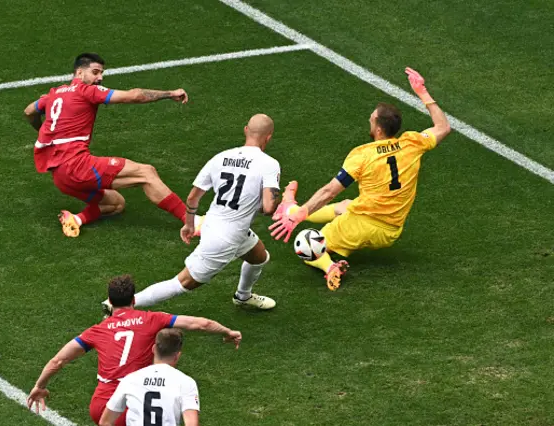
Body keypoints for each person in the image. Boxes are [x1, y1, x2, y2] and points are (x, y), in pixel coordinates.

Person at [270, 68, 451, 290]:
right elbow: (443, 127)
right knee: (345, 206)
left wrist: (300, 217)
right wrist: (422, 92)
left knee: (308, 244)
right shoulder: (412, 143)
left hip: (367, 225)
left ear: (378, 128)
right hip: (391, 225)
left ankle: (330, 267)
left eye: (372, 118)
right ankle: (289, 208)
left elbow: (329, 191)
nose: (369, 119)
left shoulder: (362, 155)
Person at [26, 275, 241, 425]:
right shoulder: (152, 319)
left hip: (102, 405)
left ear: (110, 302)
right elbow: (199, 324)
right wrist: (227, 331)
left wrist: (39, 386)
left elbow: (58, 361)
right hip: (133, 403)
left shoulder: (96, 331)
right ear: (134, 300)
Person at [24, 52, 193, 237]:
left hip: (61, 178)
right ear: (79, 73)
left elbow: (29, 111)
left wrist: (43, 131)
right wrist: (169, 93)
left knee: (115, 203)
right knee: (146, 173)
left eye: (102, 73)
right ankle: (193, 223)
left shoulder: (53, 94)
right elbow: (134, 96)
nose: (100, 78)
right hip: (77, 167)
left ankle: (76, 219)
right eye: (95, 72)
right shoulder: (86, 91)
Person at [127, 114, 281, 311]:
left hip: (214, 223)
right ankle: (121, 304)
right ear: (268, 137)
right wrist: (282, 200)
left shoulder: (220, 158)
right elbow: (268, 208)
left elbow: (192, 198)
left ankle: (243, 296)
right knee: (181, 283)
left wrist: (189, 223)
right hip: (225, 238)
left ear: (245, 130)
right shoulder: (269, 164)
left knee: (259, 256)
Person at [100, 329, 200, 426]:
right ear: (177, 355)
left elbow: (105, 422)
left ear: (153, 349)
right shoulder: (186, 382)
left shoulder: (130, 379)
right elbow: (192, 423)